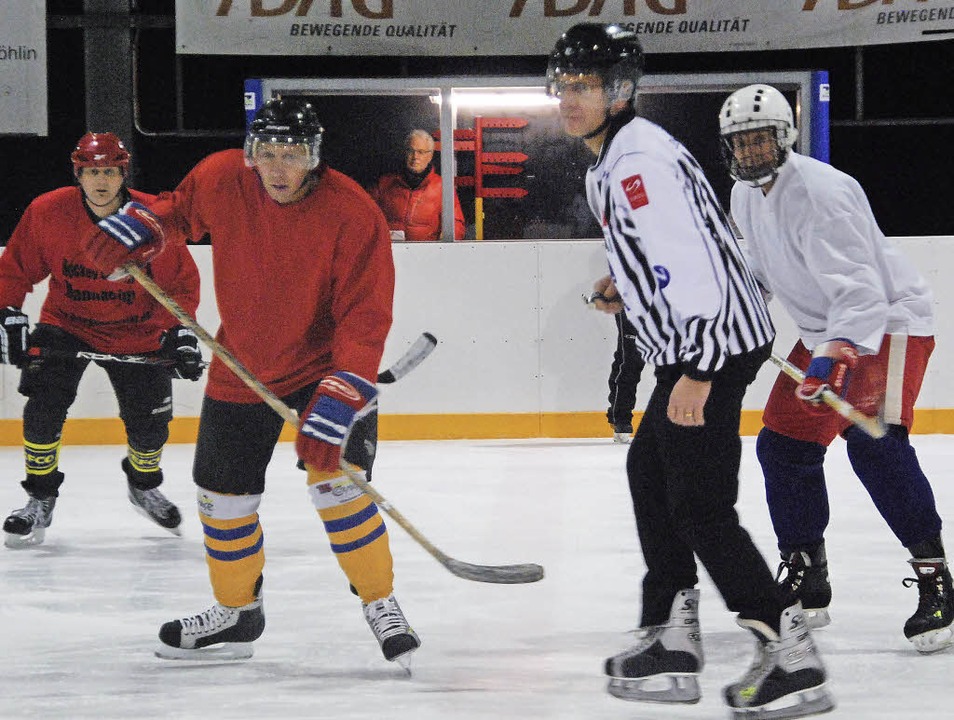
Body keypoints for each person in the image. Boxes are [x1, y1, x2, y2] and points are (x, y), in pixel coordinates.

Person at [548, 24, 834, 718]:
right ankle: (673, 637)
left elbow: (698, 274)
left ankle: (790, 656)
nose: (570, 98)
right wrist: (627, 282)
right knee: (650, 475)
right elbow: (674, 248)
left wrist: (699, 372)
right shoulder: (617, 158)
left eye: (585, 85)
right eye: (564, 85)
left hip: (707, 349)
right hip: (698, 345)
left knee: (701, 508)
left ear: (619, 90)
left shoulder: (635, 161)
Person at [81, 98, 421, 666]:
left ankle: (380, 601)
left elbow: (364, 317)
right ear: (250, 155)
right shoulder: (221, 178)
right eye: (267, 154)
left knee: (339, 488)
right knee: (222, 500)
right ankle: (237, 613)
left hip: (326, 374)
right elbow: (175, 213)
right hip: (242, 367)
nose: (279, 169)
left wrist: (341, 398)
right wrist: (136, 230)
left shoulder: (354, 213)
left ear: (314, 157)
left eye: (293, 155)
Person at [719, 83, 953, 653]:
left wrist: (836, 351)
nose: (750, 152)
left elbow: (863, 288)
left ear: (785, 138)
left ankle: (936, 580)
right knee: (783, 445)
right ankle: (807, 573)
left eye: (760, 140)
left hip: (886, 322)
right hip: (827, 329)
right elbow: (760, 270)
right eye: (740, 144)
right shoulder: (745, 196)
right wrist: (723, 314)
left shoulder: (822, 192)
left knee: (873, 444)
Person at [0, 132, 203, 548]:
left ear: (122, 173)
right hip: (67, 325)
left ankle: (143, 485)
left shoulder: (151, 217)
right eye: (91, 171)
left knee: (150, 428)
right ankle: (39, 498)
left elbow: (180, 284)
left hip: (137, 330)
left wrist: (180, 332)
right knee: (43, 408)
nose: (100, 180)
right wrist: (6, 312)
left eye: (109, 170)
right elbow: (15, 268)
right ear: (78, 174)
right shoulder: (49, 212)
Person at [368, 129, 466, 242]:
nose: (415, 157)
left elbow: (456, 225)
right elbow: (366, 214)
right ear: (405, 153)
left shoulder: (442, 187)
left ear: (430, 155)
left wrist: (442, 247)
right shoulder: (384, 184)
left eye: (421, 152)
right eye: (411, 151)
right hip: (390, 253)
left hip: (427, 255)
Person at [606, 311, 644, 443]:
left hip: (664, 302)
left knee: (668, 363)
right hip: (631, 304)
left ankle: (667, 419)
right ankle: (621, 419)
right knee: (630, 361)